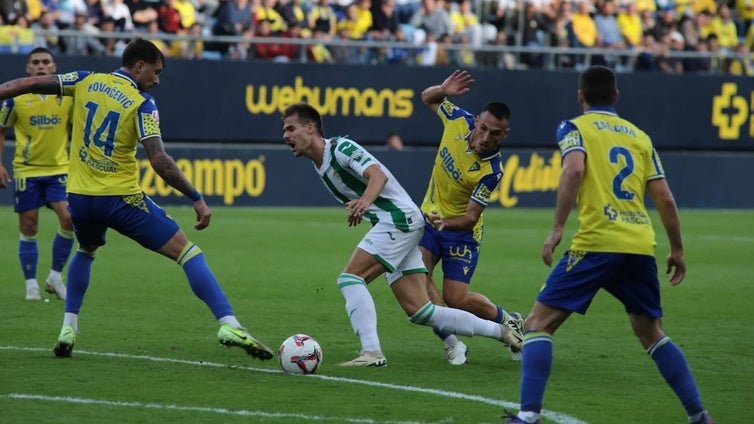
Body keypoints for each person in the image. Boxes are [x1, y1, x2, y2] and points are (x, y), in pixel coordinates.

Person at [0, 38, 274, 361]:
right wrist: (195, 196)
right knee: (188, 252)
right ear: (139, 66)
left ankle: (68, 328)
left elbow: (30, 84)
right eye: (156, 72)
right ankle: (228, 323)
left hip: (80, 198)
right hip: (121, 200)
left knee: (86, 250)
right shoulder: (142, 103)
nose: (157, 80)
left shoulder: (85, 79)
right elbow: (159, 161)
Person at [503, 66, 715, 424]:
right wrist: (677, 249)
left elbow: (573, 170)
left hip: (597, 243)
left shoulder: (574, 127)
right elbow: (664, 198)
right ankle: (700, 416)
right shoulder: (639, 137)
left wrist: (557, 228)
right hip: (638, 245)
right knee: (652, 334)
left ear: (580, 96)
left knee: (538, 325)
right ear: (616, 97)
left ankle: (527, 416)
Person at [282, 102, 522, 367]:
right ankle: (504, 332)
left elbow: (378, 176)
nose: (286, 135)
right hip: (398, 223)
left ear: (310, 128)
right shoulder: (321, 164)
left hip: (398, 220)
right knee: (421, 311)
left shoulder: (340, 149)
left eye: (291, 128)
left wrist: (364, 202)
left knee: (350, 278)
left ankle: (371, 351)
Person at [418, 69, 524, 365]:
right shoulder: (457, 119)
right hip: (430, 220)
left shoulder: (492, 171)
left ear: (505, 135)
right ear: (477, 120)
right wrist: (442, 88)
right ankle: (451, 342)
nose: (487, 137)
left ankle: (509, 319)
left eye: (496, 133)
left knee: (456, 299)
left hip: (461, 232)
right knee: (420, 279)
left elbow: (470, 218)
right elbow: (426, 98)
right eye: (485, 128)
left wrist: (444, 223)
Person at [0, 47, 74, 301]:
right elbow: (1, 130)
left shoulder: (67, 98)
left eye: (46, 62)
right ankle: (31, 284)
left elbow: (81, 128)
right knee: (29, 226)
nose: (41, 66)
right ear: (28, 68)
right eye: (36, 62)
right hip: (27, 170)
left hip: (59, 169)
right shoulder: (15, 99)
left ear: (54, 68)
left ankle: (55, 276)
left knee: (69, 219)